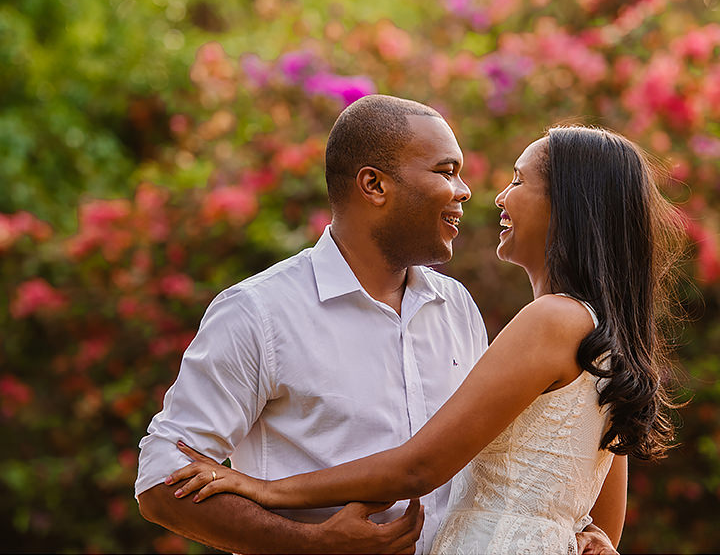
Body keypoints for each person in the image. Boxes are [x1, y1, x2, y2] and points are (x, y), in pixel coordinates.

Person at [166, 125, 683, 554]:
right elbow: (602, 519)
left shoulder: (540, 320)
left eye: (518, 181)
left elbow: (421, 465)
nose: (491, 196)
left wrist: (268, 491)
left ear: (569, 205)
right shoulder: (605, 340)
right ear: (373, 185)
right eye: (446, 172)